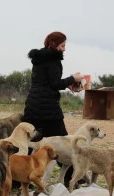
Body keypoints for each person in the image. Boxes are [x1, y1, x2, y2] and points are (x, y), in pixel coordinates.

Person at [22, 31, 84, 187]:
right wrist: (73, 79)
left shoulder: (39, 58)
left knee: (30, 143)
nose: (64, 49)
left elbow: (46, 83)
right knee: (65, 143)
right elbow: (54, 84)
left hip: (33, 106)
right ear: (55, 45)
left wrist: (68, 84)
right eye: (62, 45)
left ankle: (19, 178)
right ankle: (73, 178)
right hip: (48, 109)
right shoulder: (53, 60)